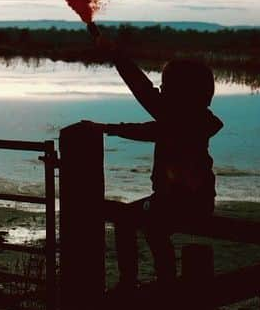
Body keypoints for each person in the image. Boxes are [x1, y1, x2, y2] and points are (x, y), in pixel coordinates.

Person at [86, 30, 223, 285]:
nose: (160, 88)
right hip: (178, 200)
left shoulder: (184, 121)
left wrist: (107, 129)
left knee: (146, 225)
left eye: (166, 84)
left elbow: (150, 127)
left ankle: (152, 282)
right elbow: (142, 88)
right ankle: (150, 281)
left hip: (186, 202)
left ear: (182, 91)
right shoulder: (182, 115)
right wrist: (115, 54)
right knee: (134, 221)